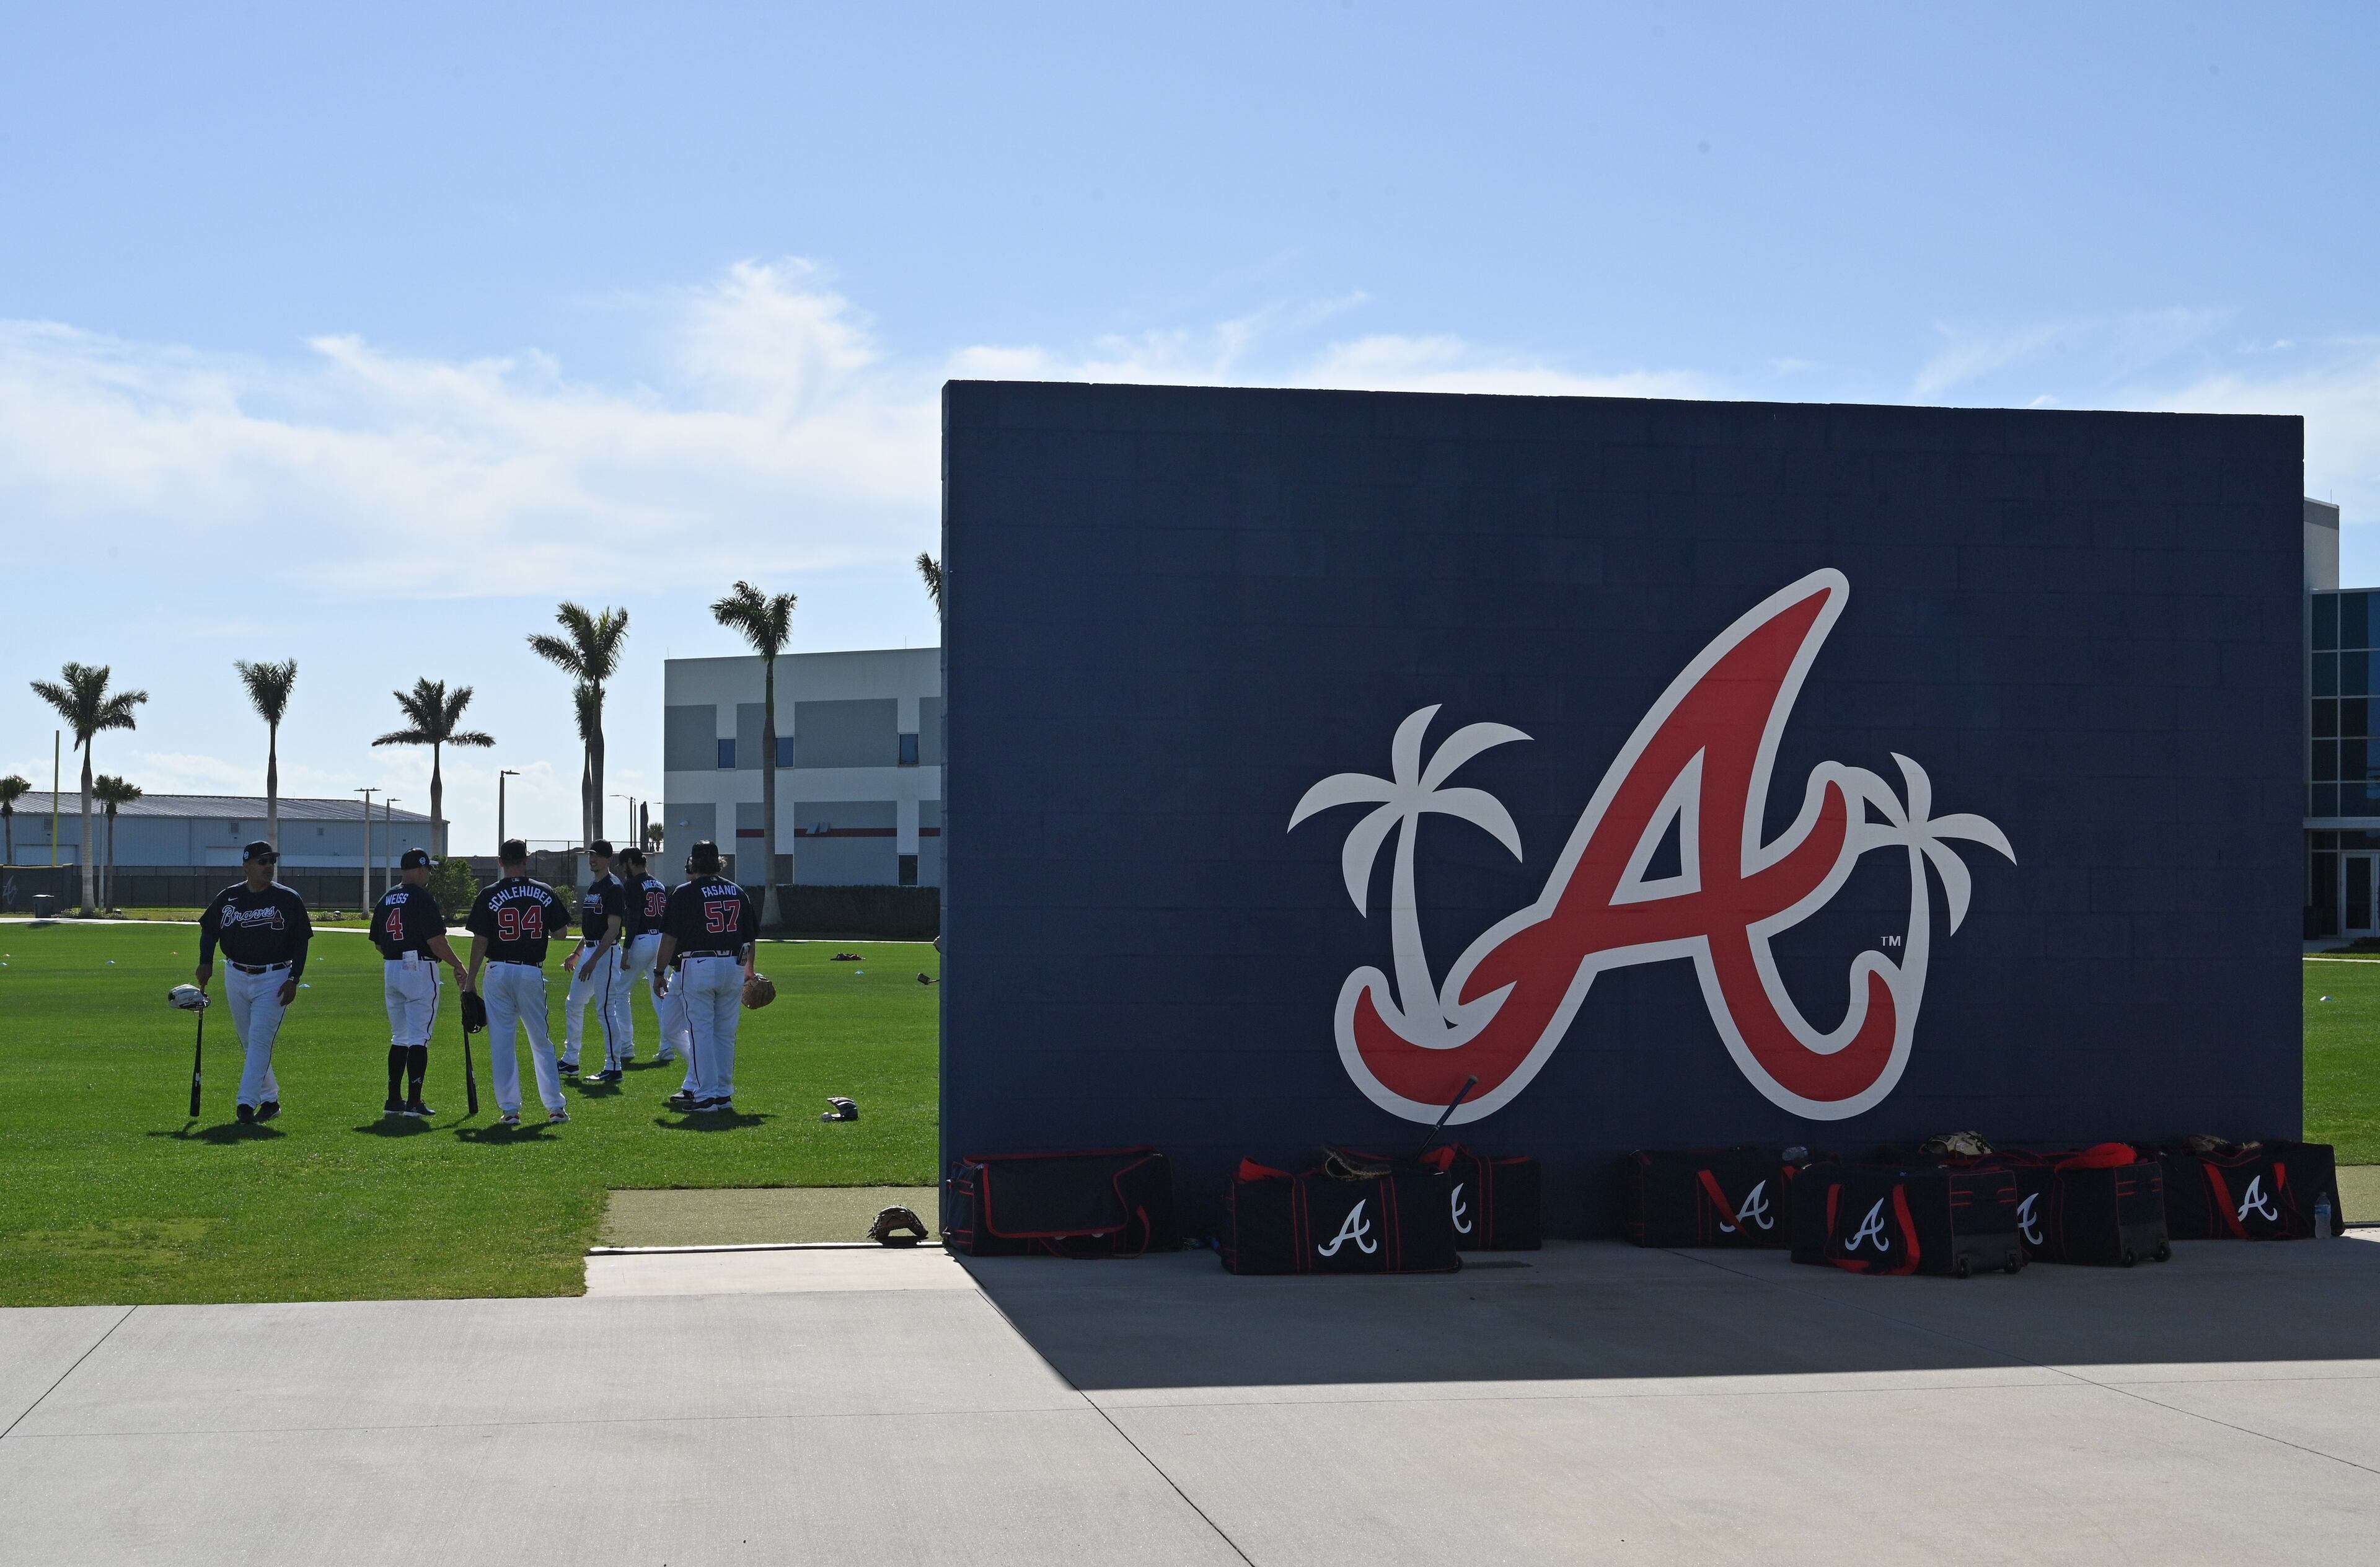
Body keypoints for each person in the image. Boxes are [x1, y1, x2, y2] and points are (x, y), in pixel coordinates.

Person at [193, 840, 314, 1123]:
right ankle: (271, 1100)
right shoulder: (230, 897)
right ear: (246, 865)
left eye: (272, 861)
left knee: (259, 1041)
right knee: (250, 1043)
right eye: (263, 862)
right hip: (235, 974)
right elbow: (210, 931)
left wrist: (294, 978)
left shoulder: (287, 898)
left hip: (275, 977)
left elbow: (301, 943)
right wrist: (205, 962)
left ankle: (245, 1105)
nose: (269, 867)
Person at [464, 838, 571, 1128]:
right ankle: (555, 1107)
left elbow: (480, 941)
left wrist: (470, 981)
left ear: (500, 862)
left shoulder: (489, 894)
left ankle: (511, 1110)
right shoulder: (544, 891)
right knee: (541, 1041)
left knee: (502, 1043)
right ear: (525, 860)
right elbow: (561, 932)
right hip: (529, 971)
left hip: (497, 970)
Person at [652, 839, 759, 1112]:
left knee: (701, 1031)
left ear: (693, 863)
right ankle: (723, 1093)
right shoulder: (737, 892)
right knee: (725, 1033)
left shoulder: (685, 892)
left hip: (698, 964)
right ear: (718, 862)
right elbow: (750, 938)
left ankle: (706, 1094)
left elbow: (669, 938)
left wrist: (659, 971)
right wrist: (749, 971)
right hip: (733, 965)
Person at [369, 847, 474, 1118]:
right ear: (418, 869)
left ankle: (394, 1100)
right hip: (418, 968)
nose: (429, 873)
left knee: (400, 1035)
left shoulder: (387, 897)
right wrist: (458, 965)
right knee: (419, 1036)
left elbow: (380, 944)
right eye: (427, 869)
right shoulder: (422, 898)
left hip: (391, 968)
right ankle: (414, 1102)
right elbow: (436, 942)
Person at [560, 839, 628, 1084]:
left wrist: (593, 960)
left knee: (606, 1009)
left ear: (609, 859)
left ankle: (614, 1066)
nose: (592, 859)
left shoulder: (614, 887)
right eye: (591, 854)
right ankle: (571, 1061)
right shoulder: (594, 886)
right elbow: (590, 929)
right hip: (591, 951)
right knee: (574, 1003)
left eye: (597, 855)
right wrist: (578, 954)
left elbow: (613, 929)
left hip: (606, 953)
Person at [615, 845, 683, 1065]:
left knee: (620, 992)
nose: (622, 868)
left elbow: (633, 919)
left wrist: (626, 949)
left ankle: (626, 1047)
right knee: (660, 993)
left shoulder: (632, 884)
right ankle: (667, 1047)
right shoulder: (659, 884)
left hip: (642, 940)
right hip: (660, 940)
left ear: (631, 863)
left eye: (624, 864)